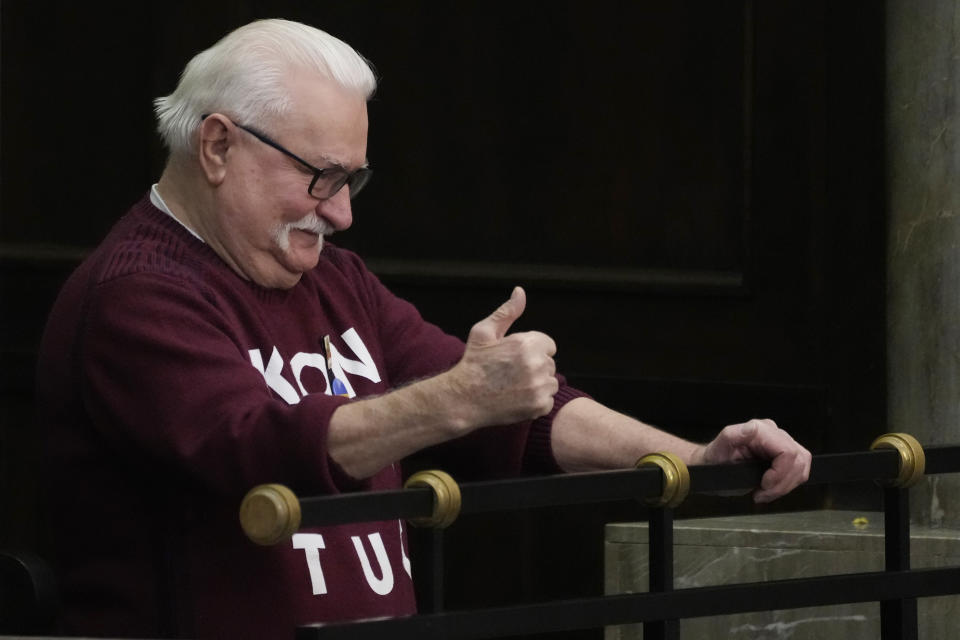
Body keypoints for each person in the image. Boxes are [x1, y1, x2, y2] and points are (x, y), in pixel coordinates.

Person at [36, 18, 811, 640]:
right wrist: (457, 400)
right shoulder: (135, 294)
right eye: (321, 177)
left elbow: (516, 415)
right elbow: (261, 447)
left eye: (353, 180)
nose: (340, 213)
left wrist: (696, 459)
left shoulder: (336, 280)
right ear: (217, 146)